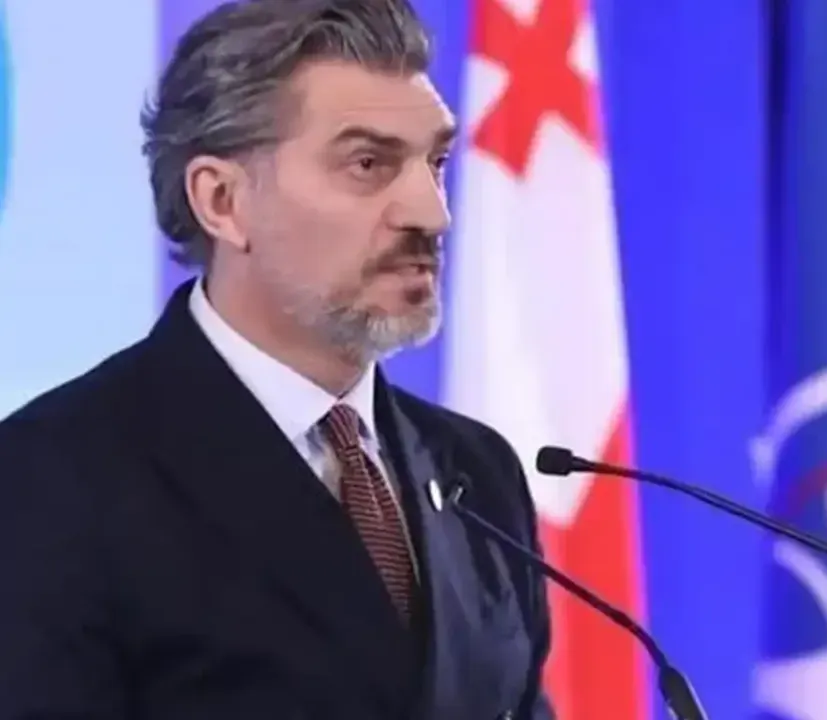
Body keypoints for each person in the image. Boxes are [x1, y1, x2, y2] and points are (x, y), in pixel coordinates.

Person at [0, 0, 555, 717]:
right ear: (222, 201)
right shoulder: (50, 477)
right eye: (368, 164)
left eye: (436, 162)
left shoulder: (478, 470)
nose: (432, 213)